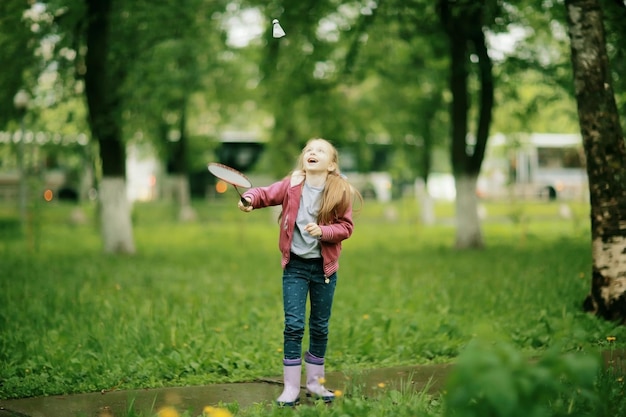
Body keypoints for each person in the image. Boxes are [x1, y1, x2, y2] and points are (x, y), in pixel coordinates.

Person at [238, 138, 362, 406]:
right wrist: (249, 198)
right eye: (308, 149)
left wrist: (324, 231)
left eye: (320, 151)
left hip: (323, 269)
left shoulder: (339, 190)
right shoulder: (293, 184)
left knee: (319, 326)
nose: (312, 152)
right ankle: (291, 387)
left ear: (331, 164)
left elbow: (346, 228)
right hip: (295, 266)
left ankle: (316, 384)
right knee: (293, 325)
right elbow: (265, 194)